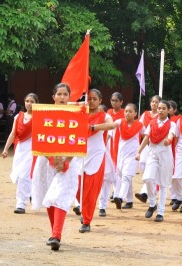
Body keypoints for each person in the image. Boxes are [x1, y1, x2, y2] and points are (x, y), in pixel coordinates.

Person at [31, 83, 80, 251]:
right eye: (59, 94)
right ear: (53, 97)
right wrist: (51, 159)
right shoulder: (44, 114)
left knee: (60, 196)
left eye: (65, 94)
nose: (62, 97)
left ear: (69, 97)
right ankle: (55, 232)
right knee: (50, 197)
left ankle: (56, 235)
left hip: (70, 161)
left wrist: (66, 161)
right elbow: (39, 138)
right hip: (47, 161)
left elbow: (78, 140)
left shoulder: (76, 115)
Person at [93, 103, 145, 210]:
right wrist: (95, 127)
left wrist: (140, 151)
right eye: (126, 111)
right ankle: (130, 201)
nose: (127, 113)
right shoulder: (120, 122)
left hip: (132, 155)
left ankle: (120, 198)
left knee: (126, 176)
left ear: (135, 113)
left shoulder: (139, 125)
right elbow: (111, 126)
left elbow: (147, 136)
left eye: (130, 111)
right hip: (121, 155)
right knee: (123, 176)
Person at [76, 89, 113, 233]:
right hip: (78, 154)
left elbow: (111, 125)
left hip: (96, 156)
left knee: (90, 191)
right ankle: (83, 208)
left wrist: (92, 127)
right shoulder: (80, 112)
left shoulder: (104, 115)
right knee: (77, 188)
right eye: (89, 98)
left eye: (94, 99)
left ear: (100, 101)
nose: (91, 101)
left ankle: (86, 221)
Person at [135, 100, 176, 222]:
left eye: (163, 108)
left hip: (165, 154)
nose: (161, 110)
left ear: (168, 110)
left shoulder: (172, 124)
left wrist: (168, 141)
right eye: (159, 108)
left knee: (163, 184)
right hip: (152, 153)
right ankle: (152, 204)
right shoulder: (152, 123)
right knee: (147, 178)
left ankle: (161, 212)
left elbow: (171, 135)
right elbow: (146, 138)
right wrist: (139, 151)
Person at [2, 93, 39, 214]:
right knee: (18, 176)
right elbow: (13, 134)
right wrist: (6, 149)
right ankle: (31, 193)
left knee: (24, 176)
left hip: (33, 150)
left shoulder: (40, 117)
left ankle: (20, 204)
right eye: (27, 101)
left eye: (32, 101)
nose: (29, 103)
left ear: (36, 103)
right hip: (20, 149)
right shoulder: (18, 116)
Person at [135, 95, 161, 204]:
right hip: (145, 143)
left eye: (156, 102)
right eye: (153, 102)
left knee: (151, 170)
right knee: (142, 165)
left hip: (155, 145)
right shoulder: (145, 114)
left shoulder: (160, 116)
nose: (154, 104)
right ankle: (151, 190)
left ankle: (145, 193)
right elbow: (138, 126)